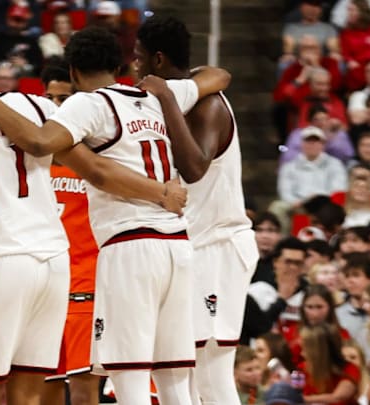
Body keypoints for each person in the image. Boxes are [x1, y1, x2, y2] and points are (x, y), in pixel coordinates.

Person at [0, 27, 230, 404]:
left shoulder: (88, 104)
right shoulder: (158, 94)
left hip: (131, 245)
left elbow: (40, 142)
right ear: (120, 63)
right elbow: (219, 76)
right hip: (178, 244)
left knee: (130, 380)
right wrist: (163, 86)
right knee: (175, 380)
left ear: (74, 72)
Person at [133, 15, 260, 405]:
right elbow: (216, 72)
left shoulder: (208, 108)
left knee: (212, 376)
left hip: (219, 248)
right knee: (179, 372)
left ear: (156, 60)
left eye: (139, 59)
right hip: (193, 246)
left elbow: (195, 167)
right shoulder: (187, 91)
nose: (135, 68)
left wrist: (167, 98)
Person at [40, 62, 100, 405]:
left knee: (82, 392)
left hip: (85, 285)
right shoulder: (34, 156)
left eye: (64, 98)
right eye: (50, 98)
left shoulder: (98, 155)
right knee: (42, 390)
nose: (56, 107)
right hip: (44, 287)